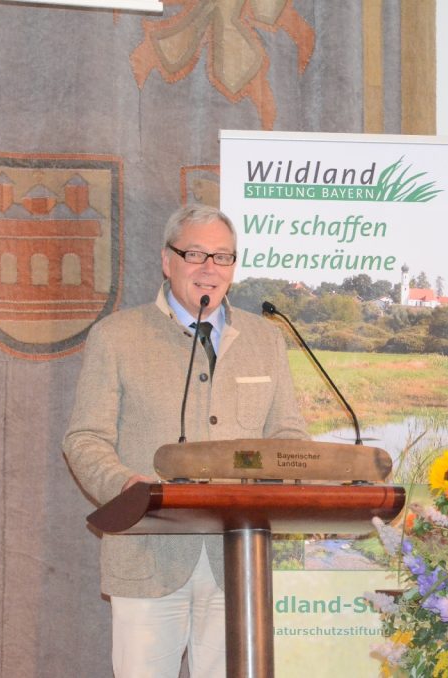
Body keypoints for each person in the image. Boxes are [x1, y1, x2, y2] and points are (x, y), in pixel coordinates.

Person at [63, 204, 308, 678]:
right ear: (166, 260)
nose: (209, 269)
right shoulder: (116, 337)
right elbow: (85, 438)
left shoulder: (266, 339)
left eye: (222, 256)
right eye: (196, 253)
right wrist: (127, 488)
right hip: (147, 555)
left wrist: (285, 472)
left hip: (238, 560)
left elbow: (288, 434)